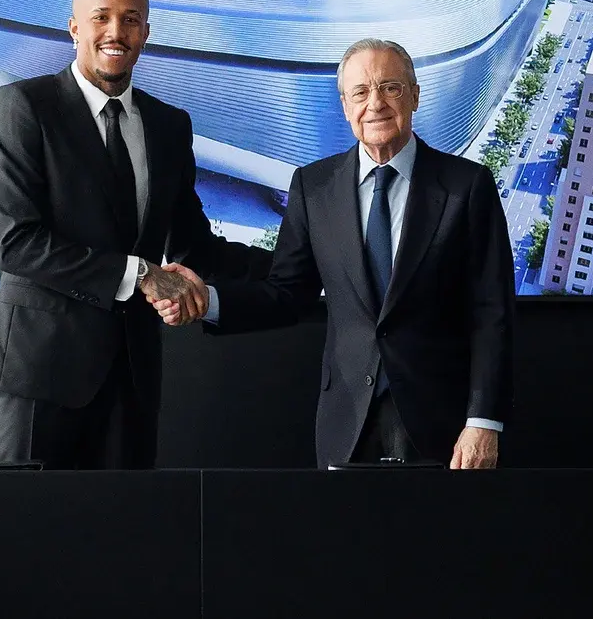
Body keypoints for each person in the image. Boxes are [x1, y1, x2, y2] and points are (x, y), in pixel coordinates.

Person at [151, 38, 515, 469]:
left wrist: (483, 421)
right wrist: (207, 301)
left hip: (445, 425)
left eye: (390, 88)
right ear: (345, 106)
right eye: (360, 92)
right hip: (347, 422)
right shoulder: (314, 187)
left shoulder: (467, 186)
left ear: (415, 95)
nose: (375, 103)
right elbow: (288, 293)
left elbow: (493, 311)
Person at [0, 0, 268, 469]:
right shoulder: (22, 106)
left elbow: (193, 246)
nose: (117, 31)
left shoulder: (168, 125)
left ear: (146, 32)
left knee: (125, 541)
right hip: (36, 376)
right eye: (102, 17)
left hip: (131, 379)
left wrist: (310, 257)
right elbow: (15, 243)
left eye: (131, 19)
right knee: (23, 538)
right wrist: (142, 276)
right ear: (73, 28)